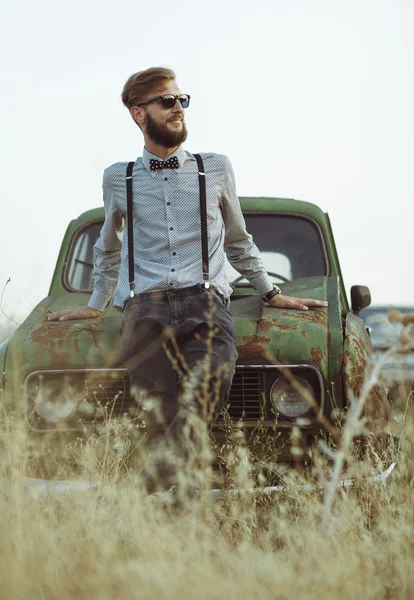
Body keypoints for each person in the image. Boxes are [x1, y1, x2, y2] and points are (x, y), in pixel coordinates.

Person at [47, 67, 327, 493]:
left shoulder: (215, 168)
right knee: (157, 409)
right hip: (144, 306)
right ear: (139, 114)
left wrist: (271, 291)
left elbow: (237, 240)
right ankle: (181, 519)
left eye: (182, 99)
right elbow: (108, 246)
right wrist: (97, 301)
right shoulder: (117, 178)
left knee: (215, 373)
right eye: (167, 101)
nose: (179, 108)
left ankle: (148, 486)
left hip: (206, 300)